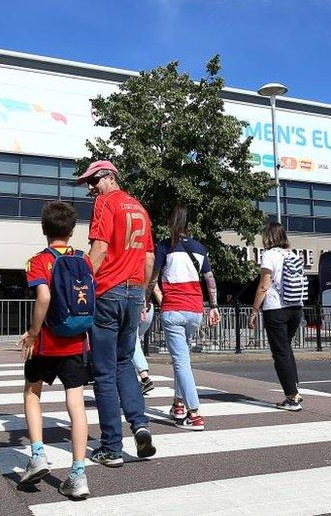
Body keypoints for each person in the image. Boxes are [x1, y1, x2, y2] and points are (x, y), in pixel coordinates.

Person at [76, 160, 156, 467]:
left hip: (108, 291)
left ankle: (111, 446)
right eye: (89, 183)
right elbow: (149, 257)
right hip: (135, 290)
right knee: (125, 363)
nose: (92, 187)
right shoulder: (139, 208)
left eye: (94, 180)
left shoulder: (105, 203)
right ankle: (140, 425)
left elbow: (98, 249)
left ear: (110, 177)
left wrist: (79, 285)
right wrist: (144, 293)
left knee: (104, 371)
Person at [16, 201, 92, 499]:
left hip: (47, 342)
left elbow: (44, 296)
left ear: (43, 229)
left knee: (32, 392)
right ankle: (77, 475)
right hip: (76, 342)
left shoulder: (38, 261)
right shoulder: (83, 261)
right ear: (72, 231)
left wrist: (33, 333)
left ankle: (37, 455)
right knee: (76, 403)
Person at [151, 204, 220, 430]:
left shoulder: (164, 246)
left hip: (173, 310)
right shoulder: (200, 248)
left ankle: (194, 413)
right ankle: (178, 404)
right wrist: (214, 306)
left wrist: (145, 299)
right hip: (194, 311)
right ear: (188, 226)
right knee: (182, 361)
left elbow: (153, 278)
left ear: (171, 223)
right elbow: (209, 279)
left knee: (181, 362)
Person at [249, 222, 305, 411]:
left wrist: (254, 310)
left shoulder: (270, 255)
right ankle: (294, 387)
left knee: (280, 352)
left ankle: (292, 397)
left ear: (268, 237)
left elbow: (264, 285)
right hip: (296, 308)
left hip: (276, 309)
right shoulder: (293, 254)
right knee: (286, 349)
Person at [132, 301, 155, 394]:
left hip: (137, 306)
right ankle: (133, 381)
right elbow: (156, 290)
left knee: (132, 341)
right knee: (134, 341)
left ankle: (144, 378)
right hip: (149, 309)